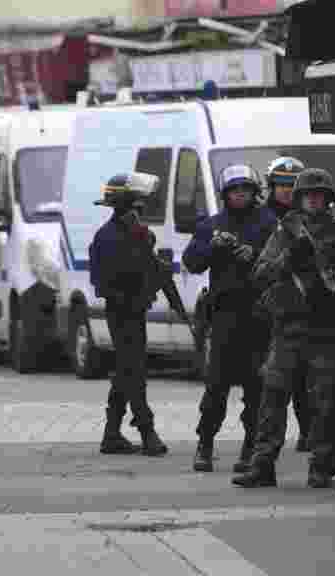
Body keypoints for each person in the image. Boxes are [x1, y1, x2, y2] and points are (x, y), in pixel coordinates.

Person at [233, 167, 335, 489]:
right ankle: (262, 464)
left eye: (319, 195)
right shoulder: (285, 232)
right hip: (289, 327)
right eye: (308, 194)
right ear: (300, 198)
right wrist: (289, 259)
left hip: (326, 330)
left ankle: (321, 464)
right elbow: (260, 273)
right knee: (273, 395)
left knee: (323, 401)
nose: (314, 200)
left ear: (328, 199)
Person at [183, 164, 277, 473]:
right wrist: (213, 248)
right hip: (224, 315)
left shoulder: (267, 222)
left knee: (256, 387)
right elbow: (192, 261)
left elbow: (283, 260)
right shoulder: (212, 224)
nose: (241, 196)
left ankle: (252, 447)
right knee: (216, 385)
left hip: (258, 315)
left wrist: (257, 255)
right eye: (235, 191)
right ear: (226, 195)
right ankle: (205, 444)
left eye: (246, 190)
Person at [89, 172, 169, 457]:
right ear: (128, 205)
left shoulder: (136, 234)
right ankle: (147, 431)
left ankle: (111, 434)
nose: (142, 209)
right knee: (133, 372)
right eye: (138, 205)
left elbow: (146, 270)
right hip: (122, 313)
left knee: (127, 370)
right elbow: (109, 281)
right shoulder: (109, 237)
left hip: (135, 311)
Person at [261, 156, 311, 452]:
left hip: (307, 314)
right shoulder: (264, 219)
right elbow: (260, 268)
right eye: (281, 185)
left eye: (292, 185)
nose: (286, 191)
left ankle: (311, 438)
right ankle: (262, 452)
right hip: (268, 309)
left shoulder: (312, 222)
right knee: (271, 386)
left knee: (308, 385)